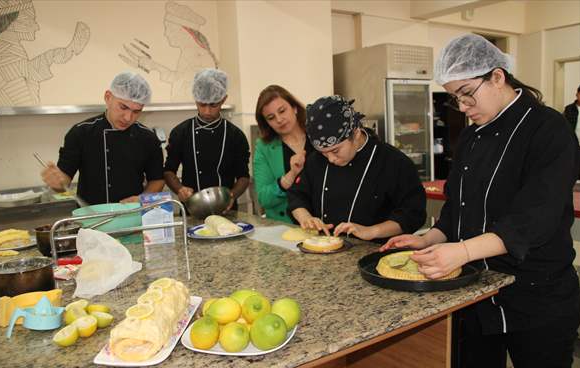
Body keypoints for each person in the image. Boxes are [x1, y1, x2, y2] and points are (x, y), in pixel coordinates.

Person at [382, 34, 580, 368]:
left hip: (538, 298)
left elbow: (533, 219)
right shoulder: (472, 137)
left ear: (498, 76)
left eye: (467, 92)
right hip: (477, 292)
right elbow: (457, 209)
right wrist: (428, 239)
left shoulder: (548, 130)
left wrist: (460, 252)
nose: (462, 105)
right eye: (455, 97)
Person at [287, 95, 426, 240]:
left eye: (335, 151)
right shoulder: (315, 161)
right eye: (323, 153)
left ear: (356, 133)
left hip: (375, 252)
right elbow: (297, 195)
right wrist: (306, 218)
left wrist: (372, 231)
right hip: (323, 248)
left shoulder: (393, 162)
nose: (331, 159)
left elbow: (413, 213)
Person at [41, 72, 164, 205]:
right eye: (123, 107)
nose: (128, 117)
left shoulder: (148, 139)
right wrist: (57, 182)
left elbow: (157, 180)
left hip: (132, 215)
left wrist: (142, 200)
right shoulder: (81, 133)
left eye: (136, 111)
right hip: (90, 218)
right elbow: (64, 181)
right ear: (108, 97)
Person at [164, 68, 250, 210]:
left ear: (223, 99)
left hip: (226, 210)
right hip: (191, 209)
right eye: (202, 104)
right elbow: (168, 171)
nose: (207, 111)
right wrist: (180, 189)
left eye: (213, 105)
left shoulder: (236, 136)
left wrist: (232, 195)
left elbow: (243, 177)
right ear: (196, 99)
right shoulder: (181, 132)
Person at [253, 85, 312, 223]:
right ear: (266, 123)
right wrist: (289, 177)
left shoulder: (318, 136)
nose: (279, 120)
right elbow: (264, 199)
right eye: (271, 117)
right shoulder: (264, 147)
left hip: (325, 224)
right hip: (286, 226)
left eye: (282, 111)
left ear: (295, 108)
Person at [563, 83, 580, 180]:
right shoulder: (569, 109)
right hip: (573, 144)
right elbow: (565, 126)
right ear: (577, 94)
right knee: (574, 169)